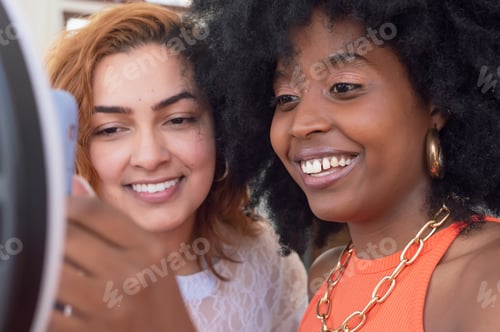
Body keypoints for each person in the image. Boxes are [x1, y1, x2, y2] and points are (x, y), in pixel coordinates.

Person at [188, 0, 500, 331]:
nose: (302, 124)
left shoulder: (486, 274)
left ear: (437, 103)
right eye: (286, 98)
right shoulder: (327, 275)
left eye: (344, 87)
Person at [45, 3, 307, 331]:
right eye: (111, 129)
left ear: (222, 130)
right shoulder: (41, 281)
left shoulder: (270, 265)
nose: (151, 156)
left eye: (179, 120)